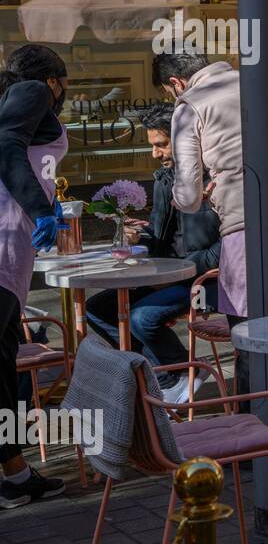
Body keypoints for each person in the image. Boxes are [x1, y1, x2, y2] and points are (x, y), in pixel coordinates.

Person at [153, 51, 268, 422]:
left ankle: (254, 430)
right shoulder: (265, 83)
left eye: (169, 93)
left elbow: (188, 195)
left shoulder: (190, 105)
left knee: (247, 331)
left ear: (176, 84)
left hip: (249, 224)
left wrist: (201, 197)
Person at [82, 103, 221, 404]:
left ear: (184, 140)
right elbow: (159, 234)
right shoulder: (164, 179)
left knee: (142, 318)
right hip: (170, 273)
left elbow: (229, 247)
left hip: (207, 281)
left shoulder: (216, 178)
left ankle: (176, 374)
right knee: (96, 308)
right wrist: (139, 239)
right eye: (153, 146)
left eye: (161, 145)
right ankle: (170, 373)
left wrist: (180, 269)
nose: (155, 154)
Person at [0, 45, 69, 508]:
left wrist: (47, 199)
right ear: (53, 80)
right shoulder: (31, 89)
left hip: (13, 243)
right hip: (3, 240)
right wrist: (42, 207)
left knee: (3, 367)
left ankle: (16, 475)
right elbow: (5, 145)